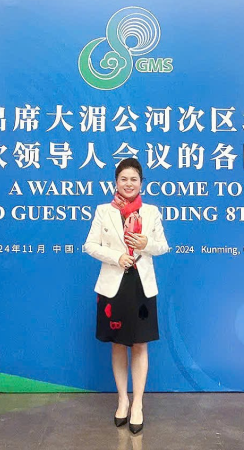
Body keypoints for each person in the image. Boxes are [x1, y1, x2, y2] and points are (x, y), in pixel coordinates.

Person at [84, 158, 169, 434]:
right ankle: (122, 400)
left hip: (141, 286)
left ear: (141, 183)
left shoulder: (151, 212)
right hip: (114, 285)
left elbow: (163, 246)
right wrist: (116, 257)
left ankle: (138, 404)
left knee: (140, 344)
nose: (128, 184)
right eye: (123, 179)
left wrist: (146, 244)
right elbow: (90, 245)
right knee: (118, 344)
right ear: (116, 182)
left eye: (134, 179)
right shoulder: (104, 211)